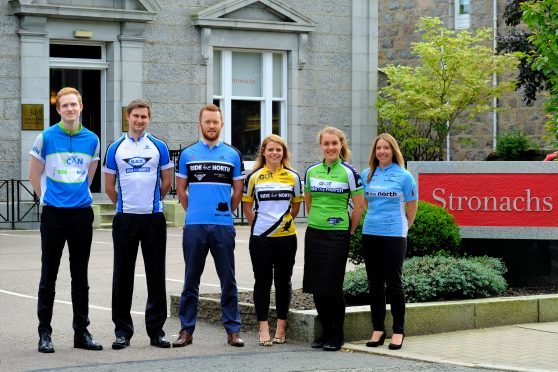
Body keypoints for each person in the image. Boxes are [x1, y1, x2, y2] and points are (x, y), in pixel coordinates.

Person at [29, 87, 103, 353]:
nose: (70, 109)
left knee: (79, 276)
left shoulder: (92, 139)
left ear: (81, 107)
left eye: (74, 104)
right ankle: (44, 333)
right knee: (49, 274)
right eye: (65, 105)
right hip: (54, 215)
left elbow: (89, 176)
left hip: (81, 214)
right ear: (58, 109)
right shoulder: (46, 137)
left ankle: (81, 332)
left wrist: (75, 197)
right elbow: (34, 175)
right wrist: (48, 199)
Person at [102, 99, 174, 349]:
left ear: (149, 119)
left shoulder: (159, 147)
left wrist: (151, 203)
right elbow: (109, 187)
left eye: (144, 117)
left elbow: (166, 182)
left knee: (156, 276)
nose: (139, 120)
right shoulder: (115, 148)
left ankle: (156, 331)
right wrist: (125, 206)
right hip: (125, 219)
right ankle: (122, 331)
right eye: (135, 116)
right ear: (128, 117)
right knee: (123, 275)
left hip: (153, 218)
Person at [173, 104, 246, 348]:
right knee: (190, 280)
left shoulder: (233, 154)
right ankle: (186, 330)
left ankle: (233, 331)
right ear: (200, 124)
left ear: (221, 124)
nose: (211, 126)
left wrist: (223, 210)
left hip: (223, 225)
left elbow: (237, 193)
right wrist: (194, 210)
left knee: (228, 279)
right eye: (207, 122)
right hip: (194, 225)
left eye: (215, 122)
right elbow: (181, 190)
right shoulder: (188, 154)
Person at [303, 126, 364, 351]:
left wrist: (349, 229)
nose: (330, 147)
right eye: (326, 144)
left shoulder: (349, 172)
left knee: (333, 286)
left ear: (341, 146)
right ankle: (326, 332)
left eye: (334, 144)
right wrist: (319, 220)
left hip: (338, 235)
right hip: (315, 233)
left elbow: (358, 206)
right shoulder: (311, 171)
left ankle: (337, 335)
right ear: (321, 146)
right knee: (317, 287)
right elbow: (309, 203)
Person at [242, 134, 304, 346]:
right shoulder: (254, 177)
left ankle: (280, 326)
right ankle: (263, 328)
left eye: (278, 150)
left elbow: (295, 207)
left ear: (283, 153)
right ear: (264, 153)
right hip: (261, 239)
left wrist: (282, 224)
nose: (275, 153)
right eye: (270, 150)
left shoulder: (293, 177)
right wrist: (259, 227)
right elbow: (247, 207)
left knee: (284, 282)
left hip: (287, 238)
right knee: (262, 282)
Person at [360, 133, 418, 350]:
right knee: (374, 282)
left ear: (393, 150)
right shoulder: (367, 174)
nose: (382, 151)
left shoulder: (404, 176)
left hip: (395, 233)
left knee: (394, 282)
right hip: (371, 232)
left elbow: (412, 207)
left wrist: (404, 227)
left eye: (386, 148)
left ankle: (399, 330)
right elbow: (366, 203)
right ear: (374, 152)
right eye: (378, 148)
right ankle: (378, 328)